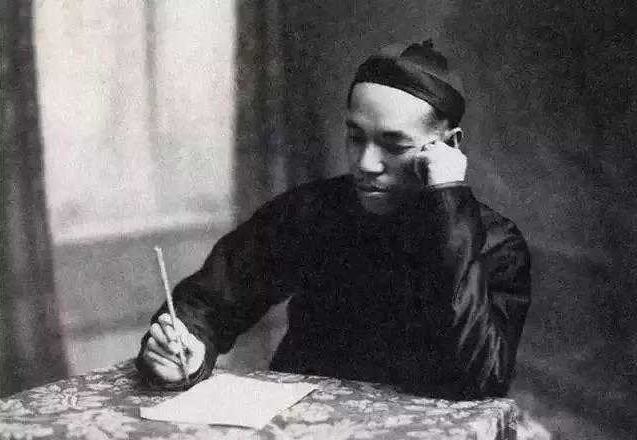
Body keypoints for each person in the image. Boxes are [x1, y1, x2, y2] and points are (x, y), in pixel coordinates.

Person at [136, 39, 531, 399]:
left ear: (449, 145)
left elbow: (481, 379)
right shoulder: (312, 211)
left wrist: (449, 204)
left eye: (394, 145)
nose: (366, 164)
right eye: (356, 137)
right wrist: (186, 346)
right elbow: (209, 300)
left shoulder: (497, 243)